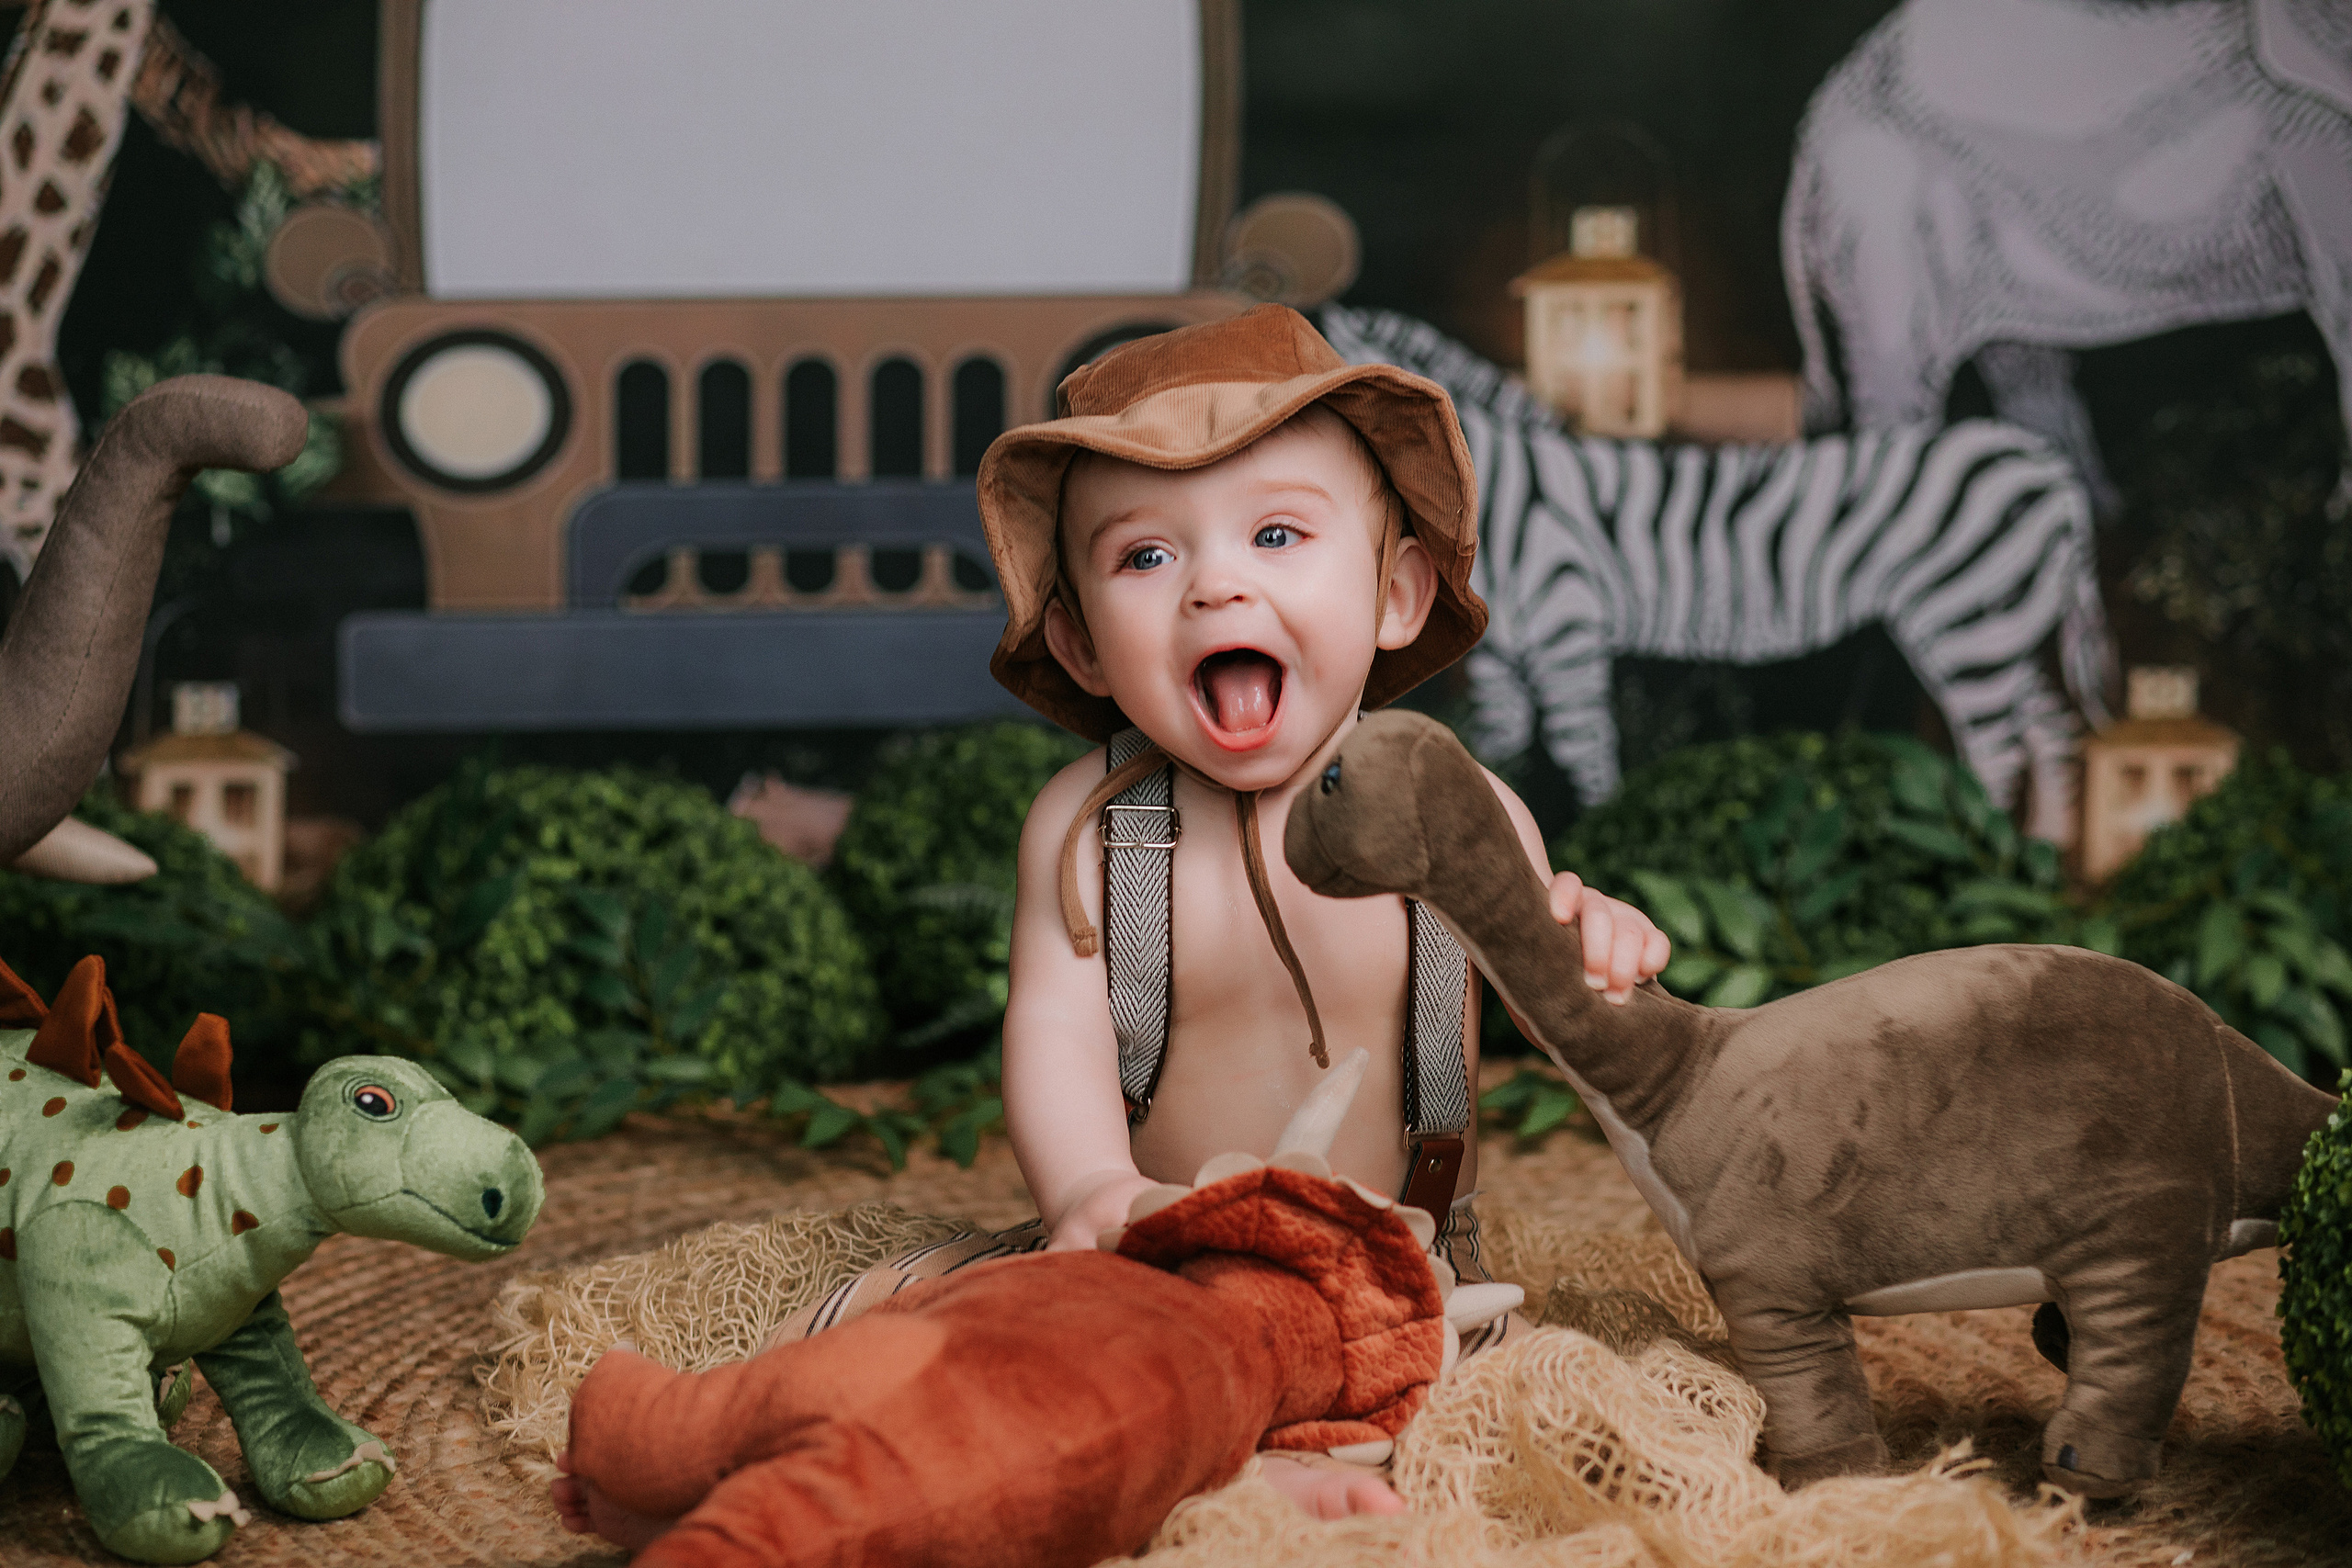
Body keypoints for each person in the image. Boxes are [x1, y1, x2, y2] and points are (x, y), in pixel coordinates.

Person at [553, 306, 1669, 1543]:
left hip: (1393, 1271)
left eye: (1280, 534)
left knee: (1485, 1403)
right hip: (1142, 1251)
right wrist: (1089, 1186)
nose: (1218, 583)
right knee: (924, 1327)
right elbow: (1060, 1036)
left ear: (1398, 592)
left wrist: (1588, 941)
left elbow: (1553, 999)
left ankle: (1241, 1462)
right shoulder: (1089, 831)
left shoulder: (1464, 811)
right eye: (1147, 558)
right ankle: (735, 1439)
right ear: (1081, 644)